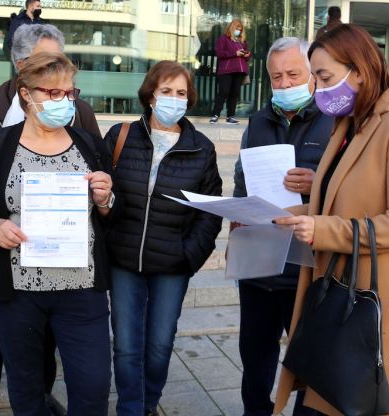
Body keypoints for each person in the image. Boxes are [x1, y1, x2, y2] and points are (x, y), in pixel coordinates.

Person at [273, 24, 389, 415]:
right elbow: (338, 203)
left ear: (360, 70)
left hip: (370, 305)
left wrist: (321, 230)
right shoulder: (350, 125)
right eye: (315, 78)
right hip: (335, 295)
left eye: (325, 77)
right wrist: (276, 216)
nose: (319, 88)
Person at [0, 23, 99, 416]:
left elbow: (104, 193)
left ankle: (45, 394)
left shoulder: (82, 125)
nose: (63, 99)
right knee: (6, 352)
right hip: (10, 270)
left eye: (69, 90)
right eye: (52, 88)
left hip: (76, 278)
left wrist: (106, 195)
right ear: (24, 82)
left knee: (87, 380)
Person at [105, 61, 223, 416]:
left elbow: (210, 210)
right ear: (150, 94)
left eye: (181, 93)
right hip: (124, 260)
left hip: (172, 264)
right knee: (126, 345)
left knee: (158, 344)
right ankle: (130, 408)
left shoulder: (201, 148)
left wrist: (189, 255)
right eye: (167, 91)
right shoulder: (120, 136)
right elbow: (101, 192)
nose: (174, 99)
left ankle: (149, 401)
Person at [231, 37, 332, 416]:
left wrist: (317, 182)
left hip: (305, 268)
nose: (285, 84)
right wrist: (239, 209)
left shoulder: (334, 120)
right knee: (254, 361)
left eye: (293, 74)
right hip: (258, 264)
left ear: (312, 76)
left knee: (308, 364)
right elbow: (242, 179)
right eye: (277, 78)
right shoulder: (258, 121)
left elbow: (349, 192)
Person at [210, 18, 251, 124]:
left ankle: (230, 116)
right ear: (232, 27)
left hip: (240, 71)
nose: (239, 31)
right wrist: (235, 53)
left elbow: (246, 57)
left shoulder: (242, 41)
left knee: (234, 94)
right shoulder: (223, 39)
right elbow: (220, 53)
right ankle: (215, 115)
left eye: (241, 29)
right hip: (226, 71)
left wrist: (247, 55)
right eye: (237, 28)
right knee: (224, 92)